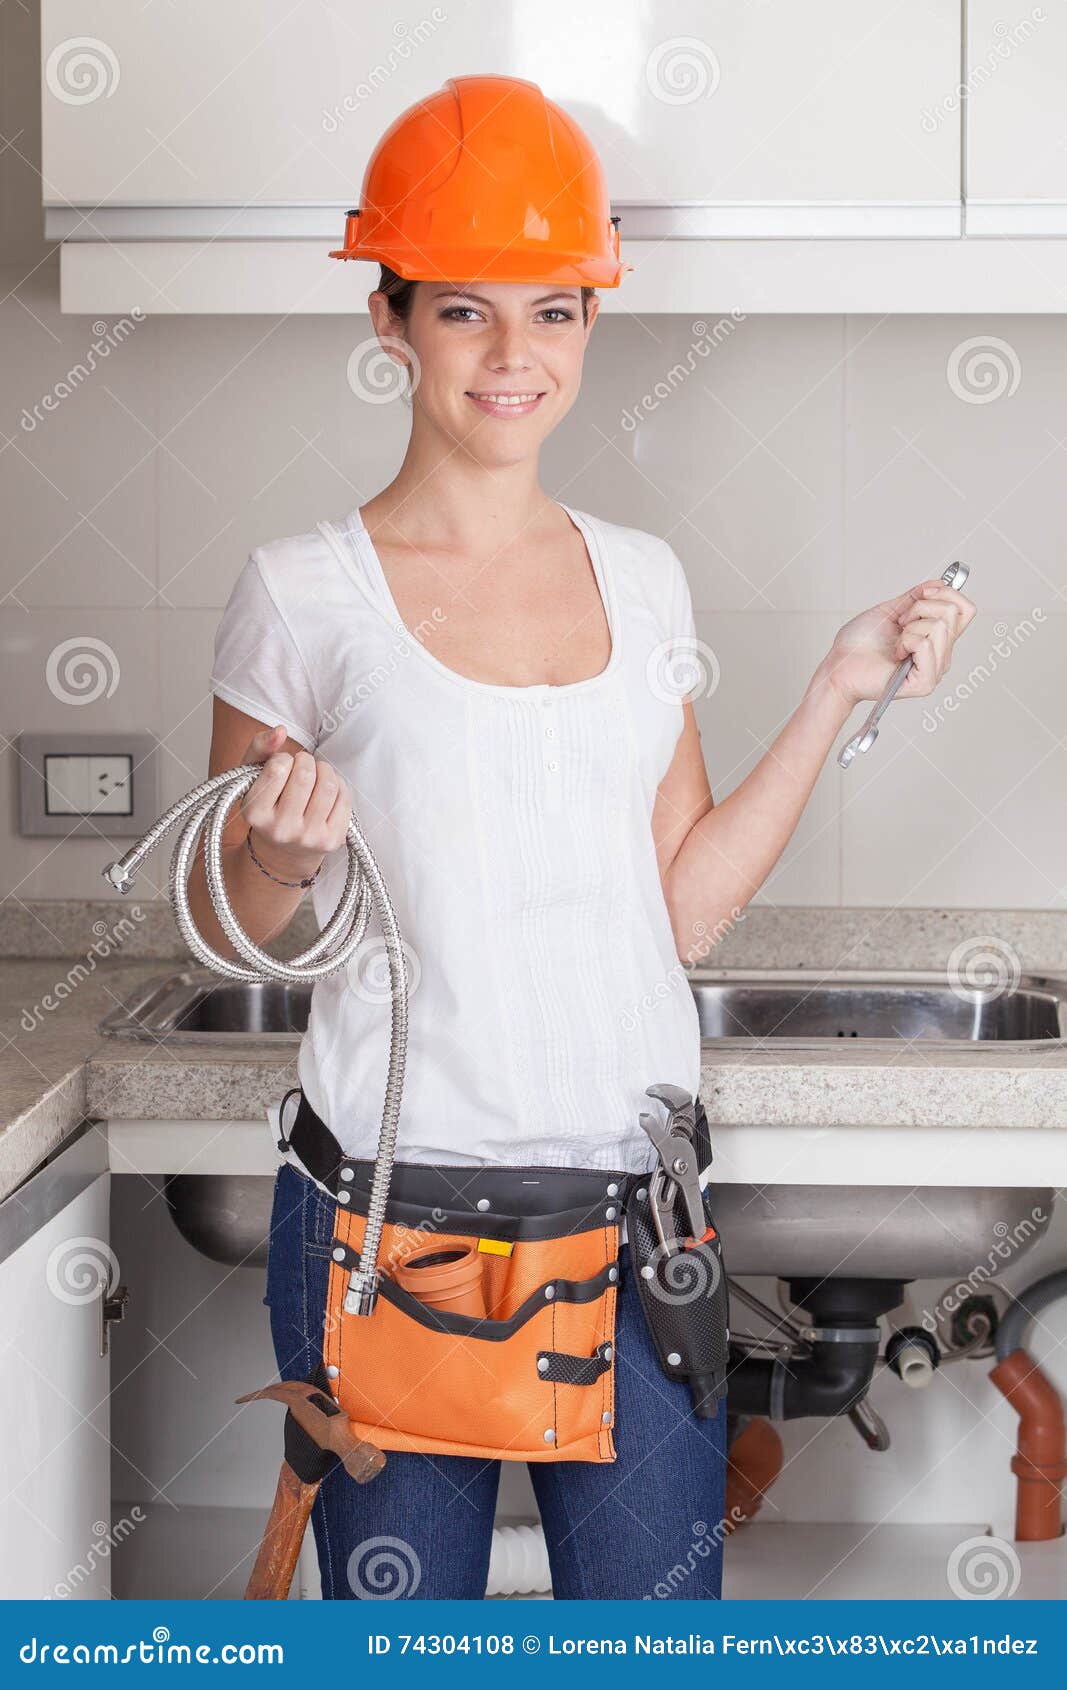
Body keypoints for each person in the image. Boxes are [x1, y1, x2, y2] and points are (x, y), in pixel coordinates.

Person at [193, 77, 976, 1601]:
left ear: (590, 324)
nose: (514, 357)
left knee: (648, 1643)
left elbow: (673, 912)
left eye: (554, 312)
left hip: (631, 1223)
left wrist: (835, 687)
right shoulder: (303, 594)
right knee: (410, 1643)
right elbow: (228, 921)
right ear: (392, 322)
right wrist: (280, 856)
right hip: (386, 1221)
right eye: (467, 312)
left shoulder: (643, 578)